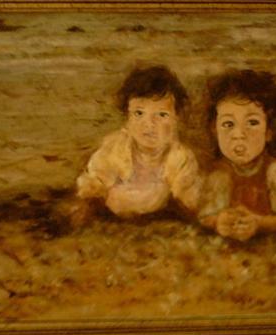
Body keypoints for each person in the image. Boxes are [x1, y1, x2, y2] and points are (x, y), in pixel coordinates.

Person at [71, 65, 201, 224]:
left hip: (158, 220)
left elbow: (188, 202)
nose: (149, 124)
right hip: (111, 219)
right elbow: (91, 185)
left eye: (162, 115)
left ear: (176, 119)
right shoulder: (114, 148)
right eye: (139, 113)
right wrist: (94, 198)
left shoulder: (181, 158)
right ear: (127, 116)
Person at [199, 69, 276, 242]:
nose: (239, 134)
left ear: (269, 131)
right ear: (215, 131)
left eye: (252, 123)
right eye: (228, 124)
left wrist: (259, 223)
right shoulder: (218, 175)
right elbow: (205, 217)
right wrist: (219, 221)